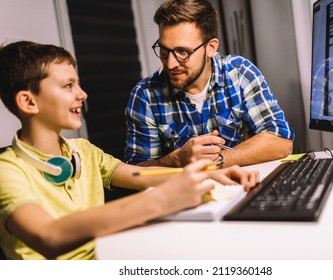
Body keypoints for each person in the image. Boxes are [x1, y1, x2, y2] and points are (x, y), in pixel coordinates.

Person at [0, 41, 259, 260]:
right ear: (28, 101)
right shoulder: (6, 171)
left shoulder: (83, 151)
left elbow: (138, 175)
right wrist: (160, 200)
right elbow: (48, 235)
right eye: (68, 86)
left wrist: (208, 174)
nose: (83, 94)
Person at [124, 0, 294, 168]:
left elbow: (281, 141)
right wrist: (176, 160)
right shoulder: (145, 95)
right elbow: (134, 171)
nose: (170, 64)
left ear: (211, 47)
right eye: (164, 50)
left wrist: (218, 161)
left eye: (182, 52)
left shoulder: (239, 73)